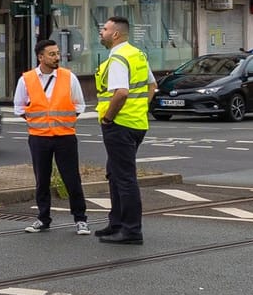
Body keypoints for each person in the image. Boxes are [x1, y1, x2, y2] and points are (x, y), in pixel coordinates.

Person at [15, 39, 89, 234]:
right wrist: (38, 122)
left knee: (72, 179)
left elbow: (79, 105)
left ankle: (81, 219)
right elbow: (19, 107)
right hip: (39, 137)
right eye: (52, 54)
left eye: (57, 53)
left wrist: (62, 122)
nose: (57, 57)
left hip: (65, 136)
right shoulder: (27, 79)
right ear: (41, 57)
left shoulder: (68, 77)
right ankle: (43, 218)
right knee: (42, 179)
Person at [94, 16, 151, 244]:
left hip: (119, 125)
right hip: (137, 123)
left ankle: (131, 231)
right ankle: (116, 223)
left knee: (125, 178)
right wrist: (141, 110)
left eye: (105, 28)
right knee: (115, 174)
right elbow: (152, 86)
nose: (101, 31)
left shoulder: (118, 57)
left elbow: (121, 92)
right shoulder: (138, 54)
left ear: (115, 34)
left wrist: (108, 118)